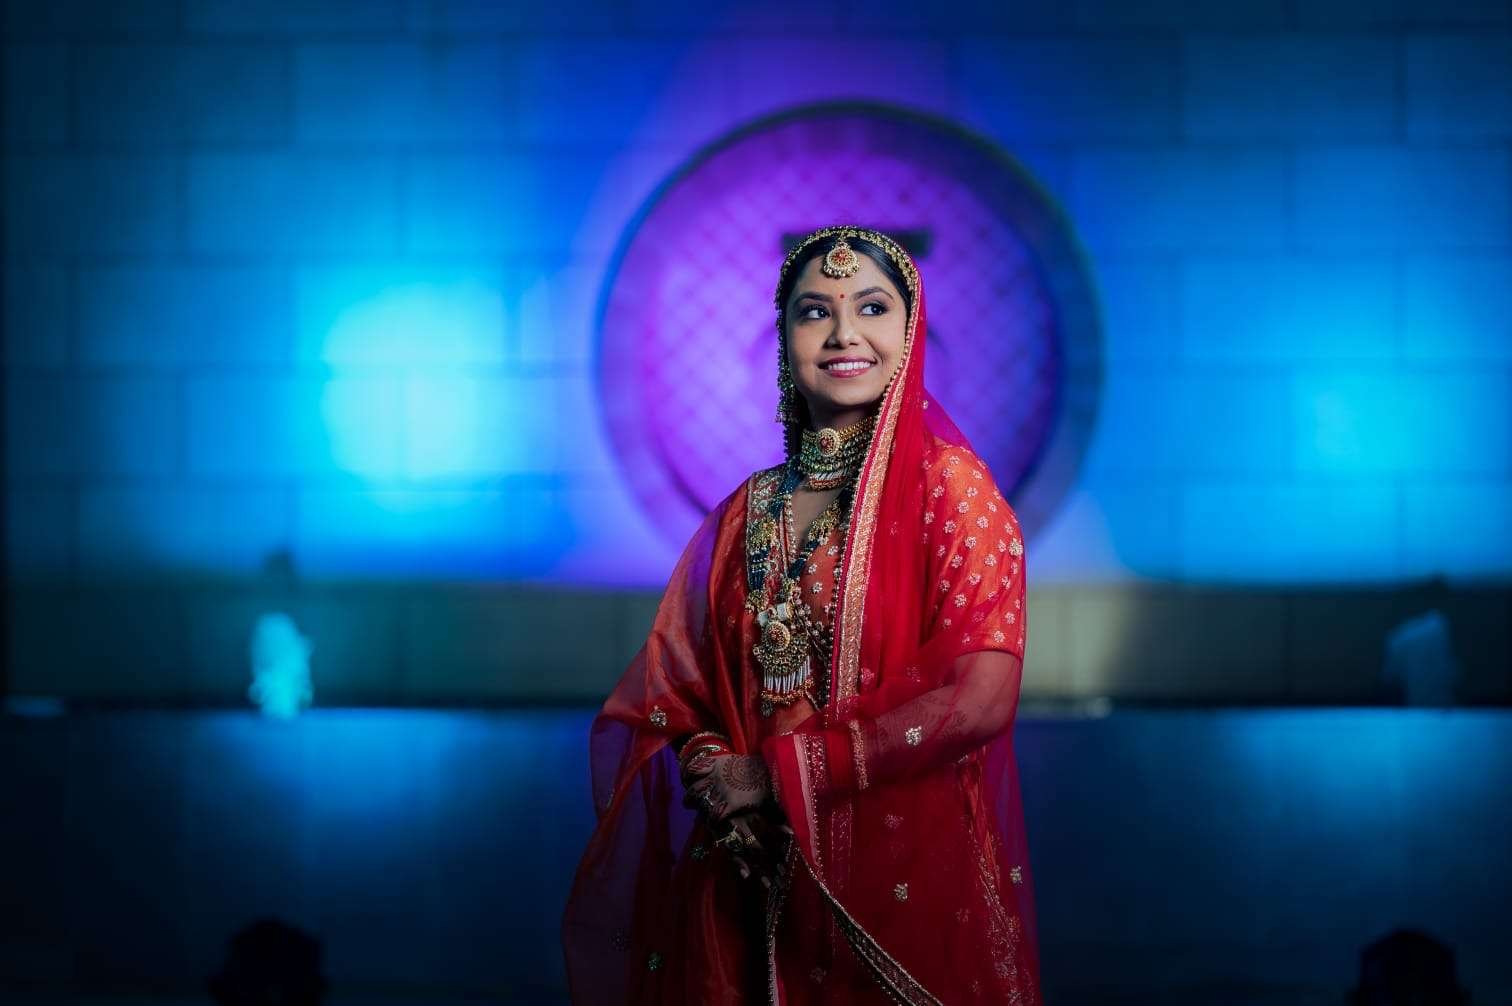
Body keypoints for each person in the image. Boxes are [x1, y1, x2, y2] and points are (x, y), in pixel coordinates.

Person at [562, 225, 1040, 1003]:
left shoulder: (951, 491)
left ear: (911, 333)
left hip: (895, 877)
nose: (845, 333)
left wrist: (778, 776)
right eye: (815, 311)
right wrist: (716, 774)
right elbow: (679, 691)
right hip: (743, 876)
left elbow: (980, 697)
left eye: (873, 308)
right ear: (784, 340)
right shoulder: (748, 510)